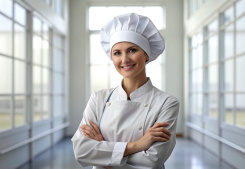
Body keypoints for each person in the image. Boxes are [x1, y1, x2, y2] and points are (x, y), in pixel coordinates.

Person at [71, 13, 179, 169]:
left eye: (132, 50)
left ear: (147, 54)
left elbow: (153, 160)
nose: (124, 60)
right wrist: (136, 146)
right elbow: (81, 151)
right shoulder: (99, 98)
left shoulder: (166, 102)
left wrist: (103, 149)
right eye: (117, 53)